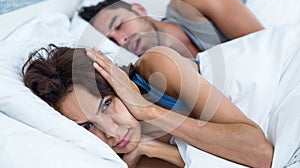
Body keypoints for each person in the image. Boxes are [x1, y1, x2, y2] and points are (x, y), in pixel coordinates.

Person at [22, 44, 273, 168]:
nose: (109, 131)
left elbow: (261, 153)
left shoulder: (157, 68)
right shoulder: (129, 157)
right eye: (88, 126)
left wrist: (147, 109)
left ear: (116, 83)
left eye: (107, 104)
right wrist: (153, 149)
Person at [78, 0, 264, 58]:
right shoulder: (158, 73)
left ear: (139, 9)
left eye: (118, 25)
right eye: (112, 41)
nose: (121, 40)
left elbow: (266, 45)